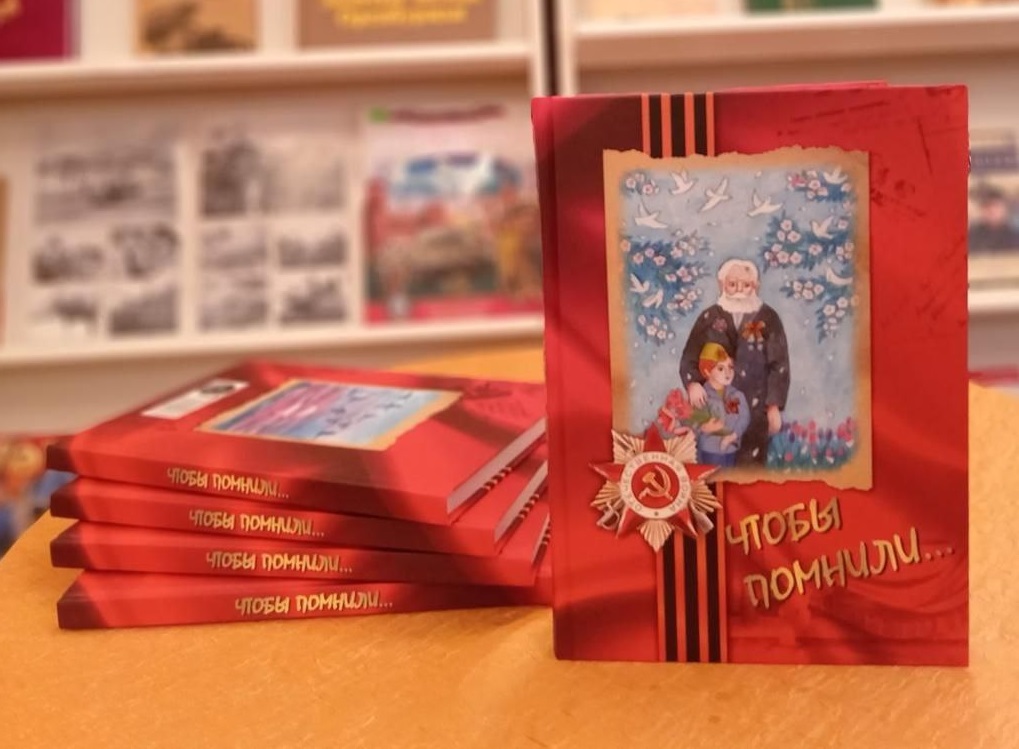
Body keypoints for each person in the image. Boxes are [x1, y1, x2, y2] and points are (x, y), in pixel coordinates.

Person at [680, 258, 790, 466]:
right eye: (732, 284)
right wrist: (693, 384)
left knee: (751, 467)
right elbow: (689, 357)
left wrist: (774, 406)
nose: (739, 289)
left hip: (756, 407)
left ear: (756, 286)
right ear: (722, 285)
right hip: (715, 407)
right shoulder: (709, 317)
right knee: (713, 466)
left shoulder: (768, 318)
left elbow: (779, 365)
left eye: (746, 284)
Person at [693, 343, 750, 467]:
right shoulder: (701, 396)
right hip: (710, 450)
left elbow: (744, 418)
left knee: (729, 477)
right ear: (707, 371)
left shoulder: (736, 395)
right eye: (720, 368)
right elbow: (692, 420)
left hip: (731, 449)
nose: (728, 372)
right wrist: (703, 427)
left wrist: (733, 436)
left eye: (730, 367)